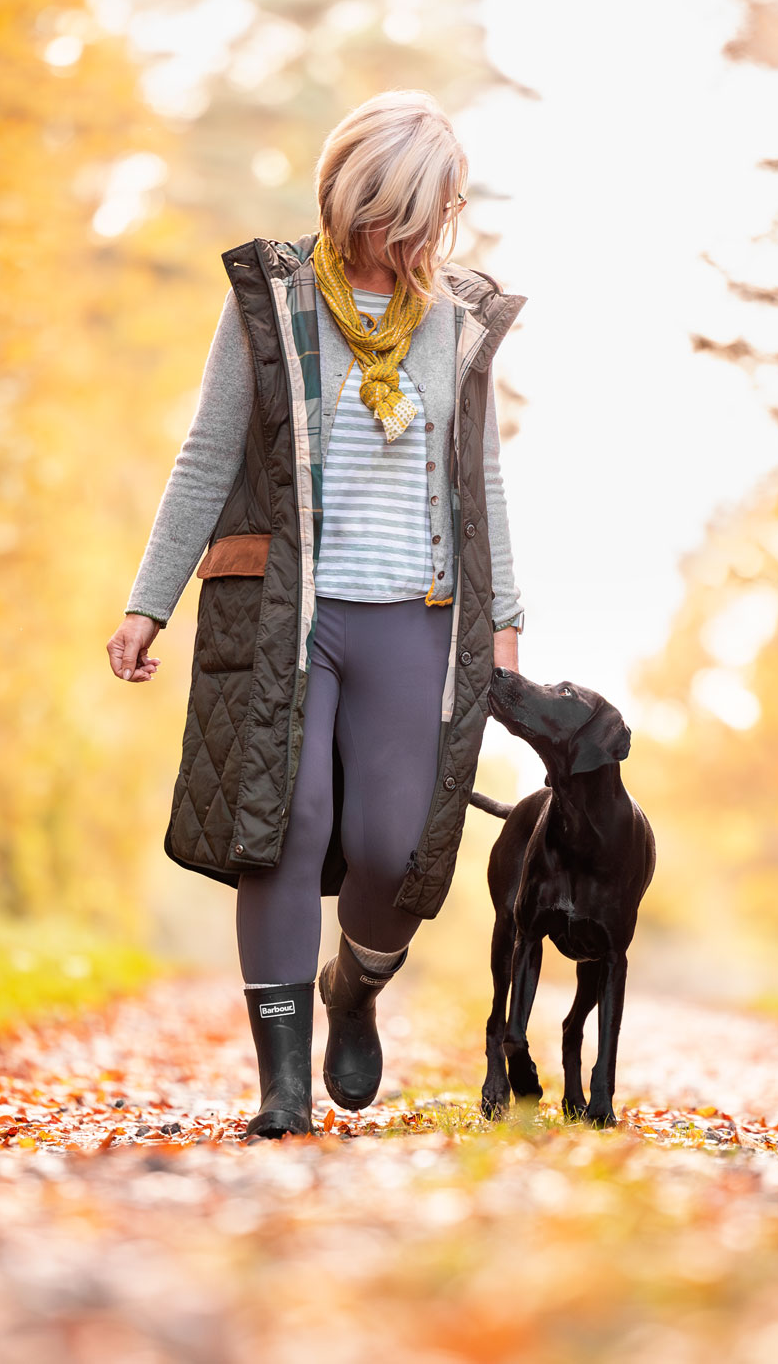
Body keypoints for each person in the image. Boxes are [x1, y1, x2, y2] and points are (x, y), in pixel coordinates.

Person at [105, 90, 526, 1139]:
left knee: (396, 851)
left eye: (427, 216)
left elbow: (484, 479)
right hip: (285, 611)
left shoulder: (458, 320)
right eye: (391, 212)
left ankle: (356, 990)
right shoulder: (275, 300)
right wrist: (146, 603)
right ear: (349, 198)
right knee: (283, 831)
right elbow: (207, 453)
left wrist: (507, 619)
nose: (407, 238)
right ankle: (280, 1090)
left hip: (416, 618)